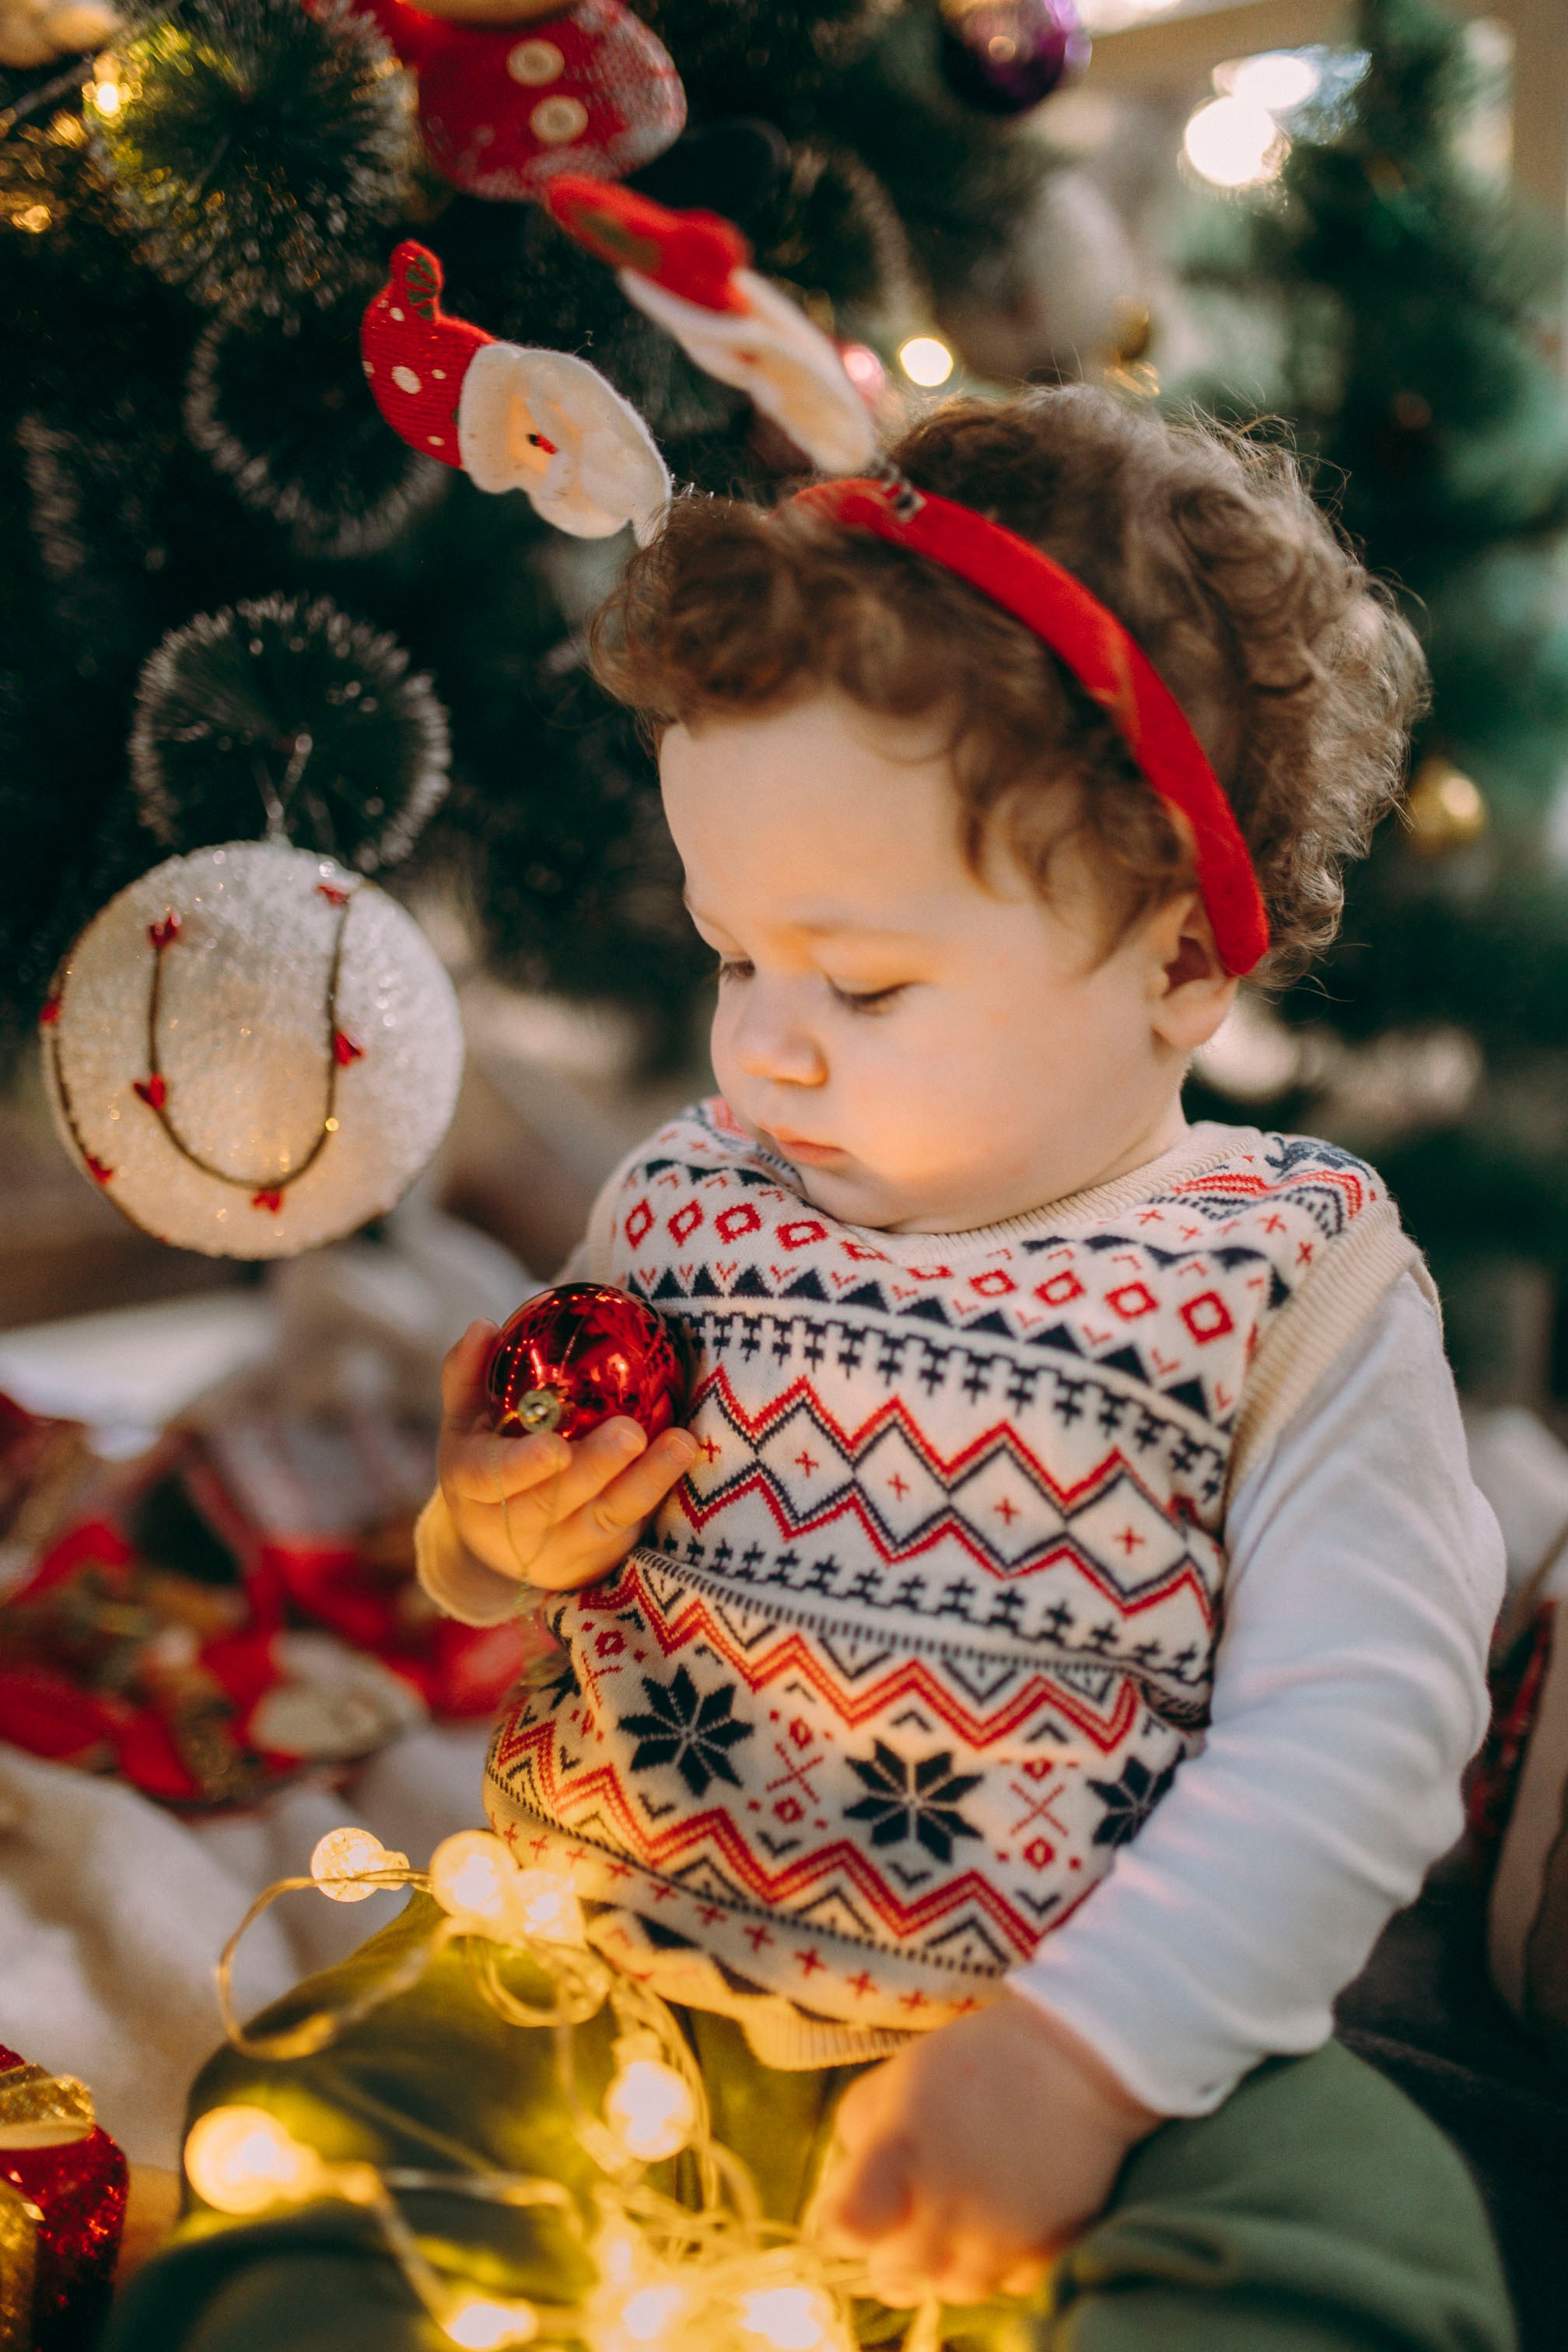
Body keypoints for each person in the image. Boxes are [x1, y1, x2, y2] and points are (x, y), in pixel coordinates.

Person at [111, 390, 1514, 2352]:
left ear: (1186, 958)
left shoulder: (1284, 1274)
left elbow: (1357, 1733)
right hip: (593, 1987)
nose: (763, 1048)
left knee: (1373, 2250)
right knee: (305, 2135)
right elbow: (500, 1561)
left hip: (1073, 2039)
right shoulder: (694, 1193)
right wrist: (486, 1526)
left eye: (859, 984)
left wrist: (1082, 2063)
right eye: (729, 952)